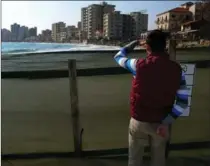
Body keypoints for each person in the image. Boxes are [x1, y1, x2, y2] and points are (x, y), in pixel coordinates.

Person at [114, 30, 189, 166]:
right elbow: (183, 102)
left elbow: (118, 57)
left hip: (139, 121)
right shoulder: (177, 70)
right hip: (161, 123)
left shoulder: (138, 65)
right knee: (158, 160)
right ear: (164, 46)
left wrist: (130, 46)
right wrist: (166, 122)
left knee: (134, 160)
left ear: (147, 47)